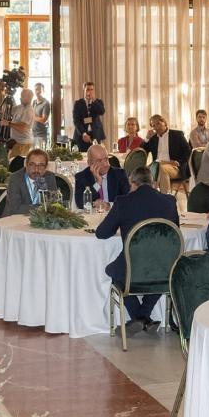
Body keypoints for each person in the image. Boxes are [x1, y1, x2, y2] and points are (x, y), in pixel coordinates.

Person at [96, 166, 180, 333]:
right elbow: (174, 231)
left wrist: (121, 225)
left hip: (133, 268)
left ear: (132, 183)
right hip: (165, 268)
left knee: (115, 273)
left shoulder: (124, 202)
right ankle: (144, 317)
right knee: (158, 277)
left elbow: (101, 233)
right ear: (153, 183)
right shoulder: (170, 201)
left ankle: (138, 317)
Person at [142, 114, 192, 195]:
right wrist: (147, 138)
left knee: (161, 168)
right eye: (153, 125)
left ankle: (164, 197)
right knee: (142, 172)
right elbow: (143, 151)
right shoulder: (153, 138)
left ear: (164, 122)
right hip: (156, 166)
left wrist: (177, 162)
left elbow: (188, 151)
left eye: (158, 123)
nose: (156, 127)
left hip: (174, 166)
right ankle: (154, 197)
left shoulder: (177, 135)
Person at [3, 148, 59, 216]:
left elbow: (54, 204)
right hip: (15, 220)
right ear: (26, 164)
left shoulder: (49, 177)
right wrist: (43, 208)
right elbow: (15, 209)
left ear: (46, 167)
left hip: (42, 221)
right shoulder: (15, 178)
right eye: (32, 164)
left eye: (41, 165)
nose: (36, 169)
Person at [75, 143, 129, 209]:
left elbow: (128, 199)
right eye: (99, 161)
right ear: (89, 163)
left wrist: (109, 205)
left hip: (115, 214)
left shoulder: (119, 174)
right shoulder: (81, 177)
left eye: (106, 159)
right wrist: (98, 182)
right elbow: (80, 204)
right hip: (92, 217)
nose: (105, 164)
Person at [73, 81, 106, 151]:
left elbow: (102, 112)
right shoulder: (78, 103)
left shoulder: (98, 102)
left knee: (96, 156)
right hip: (82, 135)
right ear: (84, 90)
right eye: (88, 89)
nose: (90, 92)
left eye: (91, 89)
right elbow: (76, 121)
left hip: (96, 135)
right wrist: (83, 134)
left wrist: (93, 100)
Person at [7, 88, 36, 161]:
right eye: (21, 95)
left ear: (29, 98)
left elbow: (22, 129)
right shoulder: (20, 107)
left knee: (16, 165)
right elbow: (9, 111)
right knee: (11, 161)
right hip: (16, 142)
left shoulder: (29, 111)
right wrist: (8, 100)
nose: (20, 97)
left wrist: (9, 123)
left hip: (23, 144)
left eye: (23, 96)